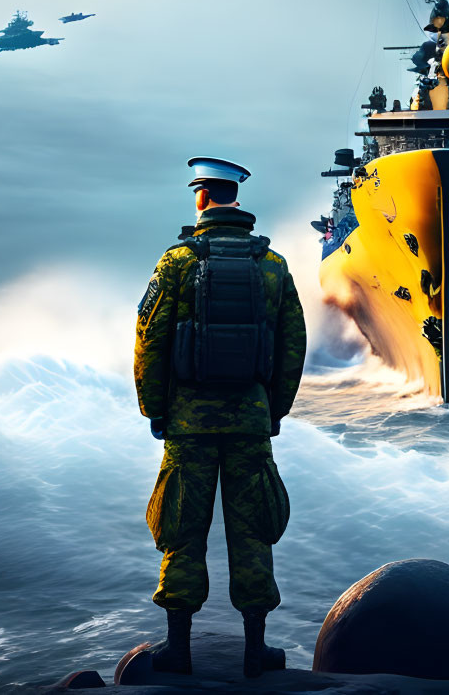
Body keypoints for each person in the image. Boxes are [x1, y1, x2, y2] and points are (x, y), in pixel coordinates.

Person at [134, 156, 306, 678]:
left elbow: (150, 341)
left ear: (202, 196)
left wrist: (155, 410)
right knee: (252, 530)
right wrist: (272, 410)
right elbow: (293, 345)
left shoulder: (177, 261)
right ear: (237, 196)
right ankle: (256, 651)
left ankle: (178, 650)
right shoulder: (272, 264)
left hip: (189, 424)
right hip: (251, 422)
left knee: (183, 528)